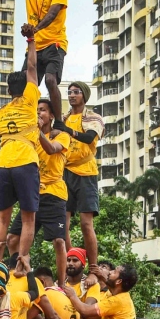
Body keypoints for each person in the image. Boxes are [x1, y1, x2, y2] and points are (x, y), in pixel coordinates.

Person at [0, 26, 40, 267]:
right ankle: (22, 260)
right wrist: (31, 40)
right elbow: (32, 68)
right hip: (25, 161)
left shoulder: (0, 114)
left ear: (9, 90)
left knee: (3, 216)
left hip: (3, 163)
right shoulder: (30, 100)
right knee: (28, 218)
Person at [6, 98, 71, 283]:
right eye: (36, 110)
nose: (39, 113)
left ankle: (61, 283)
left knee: (59, 241)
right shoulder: (29, 139)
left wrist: (37, 131)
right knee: (11, 239)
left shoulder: (61, 136)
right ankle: (20, 273)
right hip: (32, 195)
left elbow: (51, 149)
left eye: (42, 110)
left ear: (51, 115)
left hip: (54, 195)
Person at [59, 82, 103, 268]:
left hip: (86, 173)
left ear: (84, 95)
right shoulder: (64, 117)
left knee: (86, 224)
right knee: (63, 224)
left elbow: (89, 137)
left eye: (76, 92)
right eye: (69, 92)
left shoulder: (93, 118)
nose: (72, 95)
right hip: (65, 172)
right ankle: (71, 262)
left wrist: (66, 130)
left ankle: (93, 267)